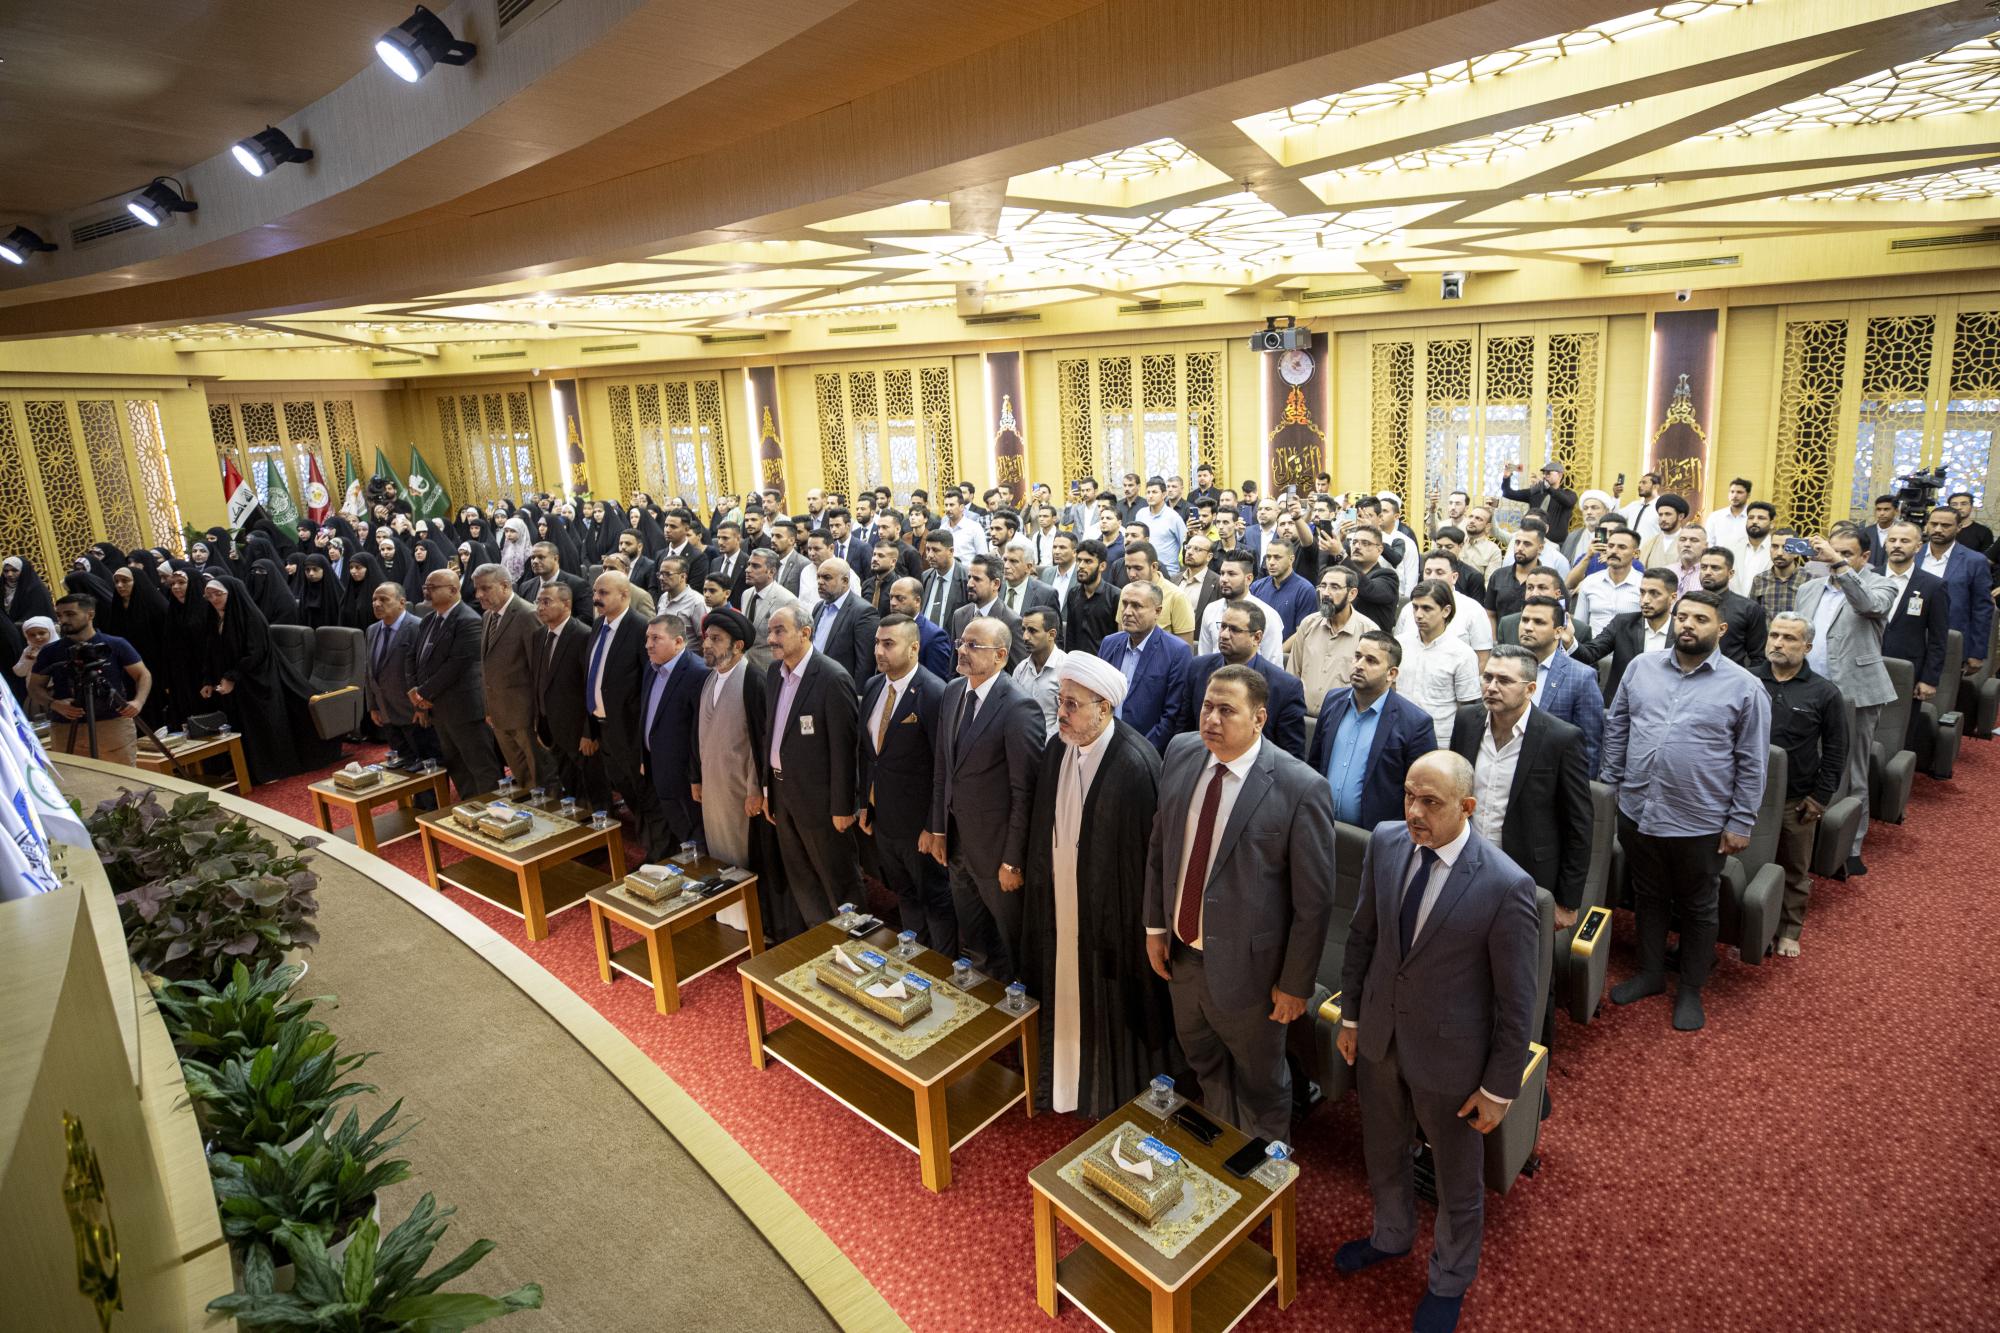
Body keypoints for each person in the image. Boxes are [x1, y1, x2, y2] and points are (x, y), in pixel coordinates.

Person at [1334, 751, 1539, 1333]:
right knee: (1383, 1150)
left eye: (1430, 802)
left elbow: (1517, 1002)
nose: (1414, 812)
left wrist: (1499, 1089)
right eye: (1409, 796)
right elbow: (1362, 936)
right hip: (1379, 1038)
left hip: (1452, 1060)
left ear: (1467, 807)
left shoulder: (1505, 884)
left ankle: (1449, 1281)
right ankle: (1391, 1236)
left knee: (1456, 1181)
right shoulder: (1385, 842)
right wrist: (1352, 1017)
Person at [1145, 666, 1335, 1142]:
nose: (1211, 719)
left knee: (1261, 1084)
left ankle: (1263, 1170)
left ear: (1259, 718)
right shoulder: (1181, 751)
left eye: (1226, 710)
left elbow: (1313, 904)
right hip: (1183, 958)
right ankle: (1223, 1152)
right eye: (1207, 706)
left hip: (1254, 976)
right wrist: (1155, 927)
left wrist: (1295, 985)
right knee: (1203, 1062)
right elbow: (1161, 847)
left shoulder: (1300, 787)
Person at [1603, 589, 1770, 1031]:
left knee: (1698, 906)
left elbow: (1753, 762)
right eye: (1682, 617)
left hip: (1700, 819)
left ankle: (1692, 988)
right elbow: (1617, 726)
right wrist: (1611, 784)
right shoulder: (1641, 668)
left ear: (1722, 629)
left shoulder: (1745, 687)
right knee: (1648, 895)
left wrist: (1741, 822)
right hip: (1638, 808)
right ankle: (1651, 974)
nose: (1688, 625)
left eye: (1700, 618)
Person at [1020, 653, 1172, 1116]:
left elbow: (1149, 862)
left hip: (1112, 921)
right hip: (1060, 902)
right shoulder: (1057, 748)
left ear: (1104, 708)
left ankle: (1108, 1096)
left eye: (1072, 705)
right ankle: (1064, 1084)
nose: (1061, 713)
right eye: (1060, 702)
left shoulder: (1134, 763)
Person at [926, 615, 1044, 982]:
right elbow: (943, 768)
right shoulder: (952, 692)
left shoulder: (1019, 706)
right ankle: (983, 1001)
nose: (962, 650)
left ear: (1001, 656)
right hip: (958, 843)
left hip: (997, 853)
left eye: (974, 645)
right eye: (962, 642)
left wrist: (1013, 860)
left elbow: (1025, 793)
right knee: (975, 939)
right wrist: (938, 829)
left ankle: (1023, 1007)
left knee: (1013, 941)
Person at [1448, 645, 1592, 925]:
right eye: (1487, 677)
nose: (1491, 687)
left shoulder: (1561, 739)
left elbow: (1579, 826)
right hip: (1466, 860)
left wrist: (1567, 901)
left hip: (1525, 871)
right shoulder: (1466, 720)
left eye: (1504, 680)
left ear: (1530, 689)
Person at [1795, 526, 1897, 876]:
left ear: (1865, 557)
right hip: (1810, 692)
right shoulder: (1809, 588)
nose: (1832, 558)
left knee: (1852, 772)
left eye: (1846, 553)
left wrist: (1839, 565)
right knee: (1807, 767)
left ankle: (1850, 849)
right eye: (1830, 551)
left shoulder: (1881, 585)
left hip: (1856, 694)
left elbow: (1869, 606)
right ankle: (1808, 844)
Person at [761, 604, 863, 931]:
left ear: (805, 633)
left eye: (779, 631)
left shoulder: (832, 677)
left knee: (838, 879)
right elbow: (770, 735)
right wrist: (767, 789)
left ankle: (856, 945)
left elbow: (846, 751)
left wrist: (843, 806)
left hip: (822, 802)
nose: (771, 638)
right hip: (782, 793)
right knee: (801, 876)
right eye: (770, 631)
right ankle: (821, 939)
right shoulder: (773, 674)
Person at [858, 614, 954, 955]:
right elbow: (869, 756)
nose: (879, 651)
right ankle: (915, 959)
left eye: (888, 644)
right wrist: (865, 804)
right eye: (877, 643)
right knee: (905, 895)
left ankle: (941, 966)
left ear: (914, 648)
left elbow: (943, 767)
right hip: (884, 820)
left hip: (919, 826)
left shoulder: (934, 693)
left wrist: (934, 826)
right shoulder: (873, 686)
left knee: (935, 901)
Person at [690, 607, 786, 939]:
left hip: (742, 794)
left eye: (716, 639)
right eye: (706, 638)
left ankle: (756, 927)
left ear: (738, 645)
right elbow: (699, 735)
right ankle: (727, 918)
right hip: (714, 788)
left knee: (746, 858)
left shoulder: (753, 680)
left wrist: (756, 789)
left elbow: (762, 742)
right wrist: (697, 777)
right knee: (719, 855)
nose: (707, 645)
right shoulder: (710, 679)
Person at [1756, 613, 1847, 957]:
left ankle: (1789, 929)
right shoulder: (1747, 679)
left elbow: (1837, 750)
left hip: (1795, 799)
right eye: (1774, 635)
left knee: (1794, 868)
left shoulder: (1824, 692)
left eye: (1789, 638)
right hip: (1745, 795)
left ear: (1807, 647)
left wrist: (1820, 797)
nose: (1778, 643)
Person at [194, 575, 316, 784]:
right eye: (209, 595)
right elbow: (210, 651)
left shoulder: (251, 616)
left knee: (261, 726)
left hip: (258, 680)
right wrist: (208, 679)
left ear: (232, 594)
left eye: (218, 594)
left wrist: (232, 676)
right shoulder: (215, 617)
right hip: (233, 682)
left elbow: (256, 653)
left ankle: (271, 769)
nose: (214, 599)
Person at [585, 571, 665, 857]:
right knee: (627, 791)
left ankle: (657, 855)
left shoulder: (640, 628)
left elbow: (650, 685)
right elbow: (592, 677)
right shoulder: (598, 625)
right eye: (595, 592)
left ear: (624, 594)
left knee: (645, 795)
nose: (596, 598)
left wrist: (643, 736)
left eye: (604, 593)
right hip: (605, 729)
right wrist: (589, 728)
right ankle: (648, 848)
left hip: (631, 731)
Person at [32, 593, 151, 767]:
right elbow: (35, 687)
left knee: (121, 777)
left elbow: (143, 675)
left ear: (90, 615)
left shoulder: (114, 644)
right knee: (74, 779)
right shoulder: (50, 651)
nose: (63, 620)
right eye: (59, 615)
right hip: (66, 724)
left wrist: (138, 702)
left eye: (70, 614)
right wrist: (54, 704)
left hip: (112, 723)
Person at [1180, 600, 1307, 760]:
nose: (1224, 635)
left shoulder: (1284, 687)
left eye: (1234, 630)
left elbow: (1291, 757)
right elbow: (1183, 729)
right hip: (1201, 763)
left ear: (1257, 637)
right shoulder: (1198, 669)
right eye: (1223, 626)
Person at [471, 563, 548, 790]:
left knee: (542, 777)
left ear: (505, 586)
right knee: (521, 776)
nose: (478, 595)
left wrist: (539, 716)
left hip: (525, 714)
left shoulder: (527, 614)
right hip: (499, 712)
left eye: (485, 588)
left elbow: (540, 670)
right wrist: (488, 708)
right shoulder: (488, 616)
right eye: (477, 589)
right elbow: (489, 665)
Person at [531, 582, 603, 809]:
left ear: (566, 604)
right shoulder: (539, 635)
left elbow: (591, 687)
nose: (540, 607)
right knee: (570, 790)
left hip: (579, 732)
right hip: (551, 728)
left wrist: (589, 732)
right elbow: (539, 682)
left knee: (592, 793)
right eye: (538, 602)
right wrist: (539, 721)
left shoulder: (583, 635)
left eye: (547, 602)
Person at [1097, 580, 1190, 753]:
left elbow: (1172, 716)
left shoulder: (1176, 651)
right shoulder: (1109, 643)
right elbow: (1096, 697)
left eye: (1137, 606)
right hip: (1103, 745)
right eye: (1125, 604)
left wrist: (1140, 753)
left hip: (1147, 752)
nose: (1127, 612)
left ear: (1157, 611)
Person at [364, 582, 440, 778]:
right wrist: (373, 705)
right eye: (374, 600)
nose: (377, 604)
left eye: (384, 599)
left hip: (412, 711)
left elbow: (426, 671)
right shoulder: (372, 630)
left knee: (426, 766)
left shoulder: (418, 627)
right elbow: (369, 670)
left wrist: (422, 707)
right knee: (404, 766)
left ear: (402, 602)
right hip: (386, 710)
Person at [1568, 567, 1678, 702]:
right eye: (1642, 592)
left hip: (1664, 707)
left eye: (1654, 594)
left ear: (1673, 597)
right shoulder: (1623, 623)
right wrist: (1569, 641)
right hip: (1621, 706)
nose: (1645, 600)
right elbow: (1590, 653)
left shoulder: (1681, 632)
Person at [1396, 581, 1481, 749]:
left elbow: (1467, 708)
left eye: (1427, 608)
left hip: (1438, 741)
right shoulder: (1399, 644)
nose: (1418, 615)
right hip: (1398, 735)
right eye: (1415, 607)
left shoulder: (1462, 654)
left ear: (1446, 611)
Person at [1878, 518, 1949, 713]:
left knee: (1901, 725)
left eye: (1905, 541)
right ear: (1885, 544)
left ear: (1918, 547)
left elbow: (1938, 638)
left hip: (1908, 670)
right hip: (1866, 667)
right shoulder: (1868, 579)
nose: (1897, 545)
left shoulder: (1934, 586)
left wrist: (1929, 679)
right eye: (1892, 540)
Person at [1921, 505, 1993, 676]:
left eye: (1945, 525)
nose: (1938, 529)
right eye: (1934, 524)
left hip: (1951, 641)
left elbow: (1982, 609)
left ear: (1959, 528)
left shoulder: (1974, 561)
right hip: (1911, 639)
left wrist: (1977, 652)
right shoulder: (1914, 555)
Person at [1196, 550, 1282, 666]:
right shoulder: (1211, 609)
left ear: (1249, 579)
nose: (1224, 579)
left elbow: (1273, 665)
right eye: (1222, 573)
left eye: (1231, 574)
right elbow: (1204, 658)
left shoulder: (1268, 615)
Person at [809, 557, 880, 691]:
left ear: (845, 581)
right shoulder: (819, 607)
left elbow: (865, 665)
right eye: (818, 577)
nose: (820, 582)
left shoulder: (864, 612)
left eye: (827, 578)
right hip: (813, 683)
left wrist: (855, 697)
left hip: (839, 689)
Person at [950, 553, 1026, 673]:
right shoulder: (959, 615)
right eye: (969, 577)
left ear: (995, 584)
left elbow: (1017, 672)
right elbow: (954, 668)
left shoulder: (1011, 621)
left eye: (977, 579)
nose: (969, 584)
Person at [1695, 546, 1768, 670]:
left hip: (1730, 678)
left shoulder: (1749, 609)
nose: (1707, 572)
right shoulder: (1686, 604)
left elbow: (1758, 657)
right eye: (1703, 567)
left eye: (1715, 568)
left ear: (1731, 573)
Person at [737, 548, 800, 677]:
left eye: (755, 566)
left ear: (771, 572)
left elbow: (792, 642)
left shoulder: (787, 600)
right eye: (748, 564)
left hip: (771, 672)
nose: (748, 570)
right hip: (745, 668)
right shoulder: (746, 594)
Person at [1571, 528, 1643, 637]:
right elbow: (1580, 626)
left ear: (1636, 553)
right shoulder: (1590, 582)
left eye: (1622, 547)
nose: (1614, 551)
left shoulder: (1643, 585)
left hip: (1630, 646)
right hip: (1593, 646)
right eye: (1610, 546)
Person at [1012, 606, 1066, 738]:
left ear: (1051, 634)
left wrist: (1044, 746)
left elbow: (1066, 718)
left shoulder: (1066, 670)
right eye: (1024, 630)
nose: (1025, 637)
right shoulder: (1020, 669)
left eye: (1032, 631)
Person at [1252, 539, 1317, 641]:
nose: (1271, 562)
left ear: (1291, 559)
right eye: (1268, 557)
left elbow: (1302, 632)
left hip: (1288, 650)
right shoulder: (1256, 587)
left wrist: (1278, 649)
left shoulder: (1305, 590)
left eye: (1277, 557)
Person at [1501, 459, 1577, 536]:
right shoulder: (1536, 492)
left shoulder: (1569, 494)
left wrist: (1548, 487)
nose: (1545, 476)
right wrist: (1506, 476)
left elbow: (1568, 501)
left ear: (1560, 475)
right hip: (1532, 538)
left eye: (1548, 473)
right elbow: (1507, 493)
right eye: (1544, 473)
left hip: (1555, 542)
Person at [1750, 529, 1809, 616]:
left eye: (1786, 547)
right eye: (1775, 546)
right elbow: (1752, 615)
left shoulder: (1810, 580)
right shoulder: (1759, 580)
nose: (1779, 553)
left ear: (1796, 552)